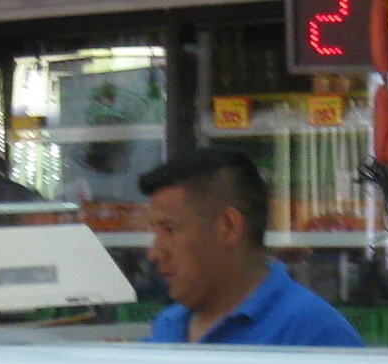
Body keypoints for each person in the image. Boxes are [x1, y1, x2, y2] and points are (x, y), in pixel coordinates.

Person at [139, 148, 364, 348]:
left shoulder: (314, 336)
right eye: (154, 232)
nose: (154, 253)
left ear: (228, 226)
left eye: (169, 230)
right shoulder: (167, 325)